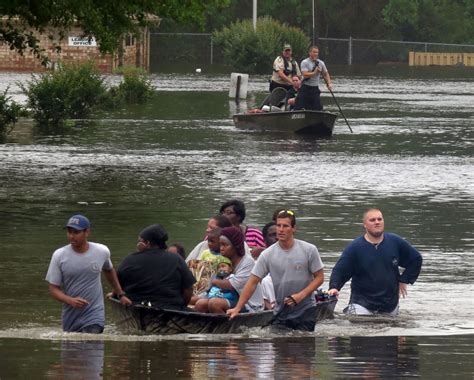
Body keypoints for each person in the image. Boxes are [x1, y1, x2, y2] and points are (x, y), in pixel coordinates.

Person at [227, 210, 325, 331]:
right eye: (278, 225)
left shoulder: (309, 250)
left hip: (306, 310)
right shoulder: (267, 254)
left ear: (294, 229)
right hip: (281, 311)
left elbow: (320, 278)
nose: (281, 230)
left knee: (303, 346)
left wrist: (300, 295)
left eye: (285, 226)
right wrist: (237, 308)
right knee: (279, 347)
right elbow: (252, 282)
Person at [45, 214, 131, 333]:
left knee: (91, 343)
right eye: (69, 232)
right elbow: (53, 289)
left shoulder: (101, 251)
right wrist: (70, 300)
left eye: (76, 232)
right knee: (71, 348)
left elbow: (109, 270)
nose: (71, 236)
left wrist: (119, 294)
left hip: (94, 314)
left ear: (87, 232)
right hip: (71, 316)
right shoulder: (59, 256)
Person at [328, 208, 423, 316]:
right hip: (361, 305)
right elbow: (340, 270)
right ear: (365, 224)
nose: (377, 222)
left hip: (390, 305)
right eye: (372, 220)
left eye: (379, 219)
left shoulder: (395, 242)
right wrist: (334, 287)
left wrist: (404, 279)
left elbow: (416, 259)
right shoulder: (355, 248)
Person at [117, 224, 196, 310]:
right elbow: (188, 289)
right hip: (171, 309)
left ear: (147, 243)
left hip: (136, 307)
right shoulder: (177, 259)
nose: (138, 244)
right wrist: (181, 305)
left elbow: (118, 285)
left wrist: (116, 294)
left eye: (140, 241)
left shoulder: (129, 259)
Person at [209, 226, 264, 314]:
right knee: (201, 303)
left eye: (225, 245)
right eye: (220, 244)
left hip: (249, 305)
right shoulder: (223, 260)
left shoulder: (248, 263)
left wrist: (213, 281)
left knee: (214, 303)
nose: (221, 248)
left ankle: (226, 327)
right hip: (230, 297)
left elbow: (231, 285)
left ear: (235, 246)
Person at [294, 45, 333, 111]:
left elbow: (326, 74)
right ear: (310, 53)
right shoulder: (305, 62)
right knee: (299, 105)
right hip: (305, 87)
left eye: (317, 52)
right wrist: (315, 73)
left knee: (318, 107)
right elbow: (305, 74)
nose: (315, 54)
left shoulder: (321, 63)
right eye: (314, 52)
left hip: (314, 88)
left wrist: (329, 83)